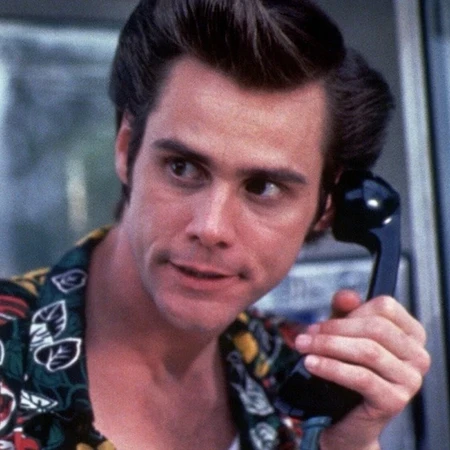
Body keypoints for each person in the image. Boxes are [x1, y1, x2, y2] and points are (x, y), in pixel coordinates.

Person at [0, 0, 430, 449]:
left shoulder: (299, 379)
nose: (211, 227)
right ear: (127, 149)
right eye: (182, 168)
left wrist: (348, 445)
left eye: (263, 187)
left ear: (327, 206)